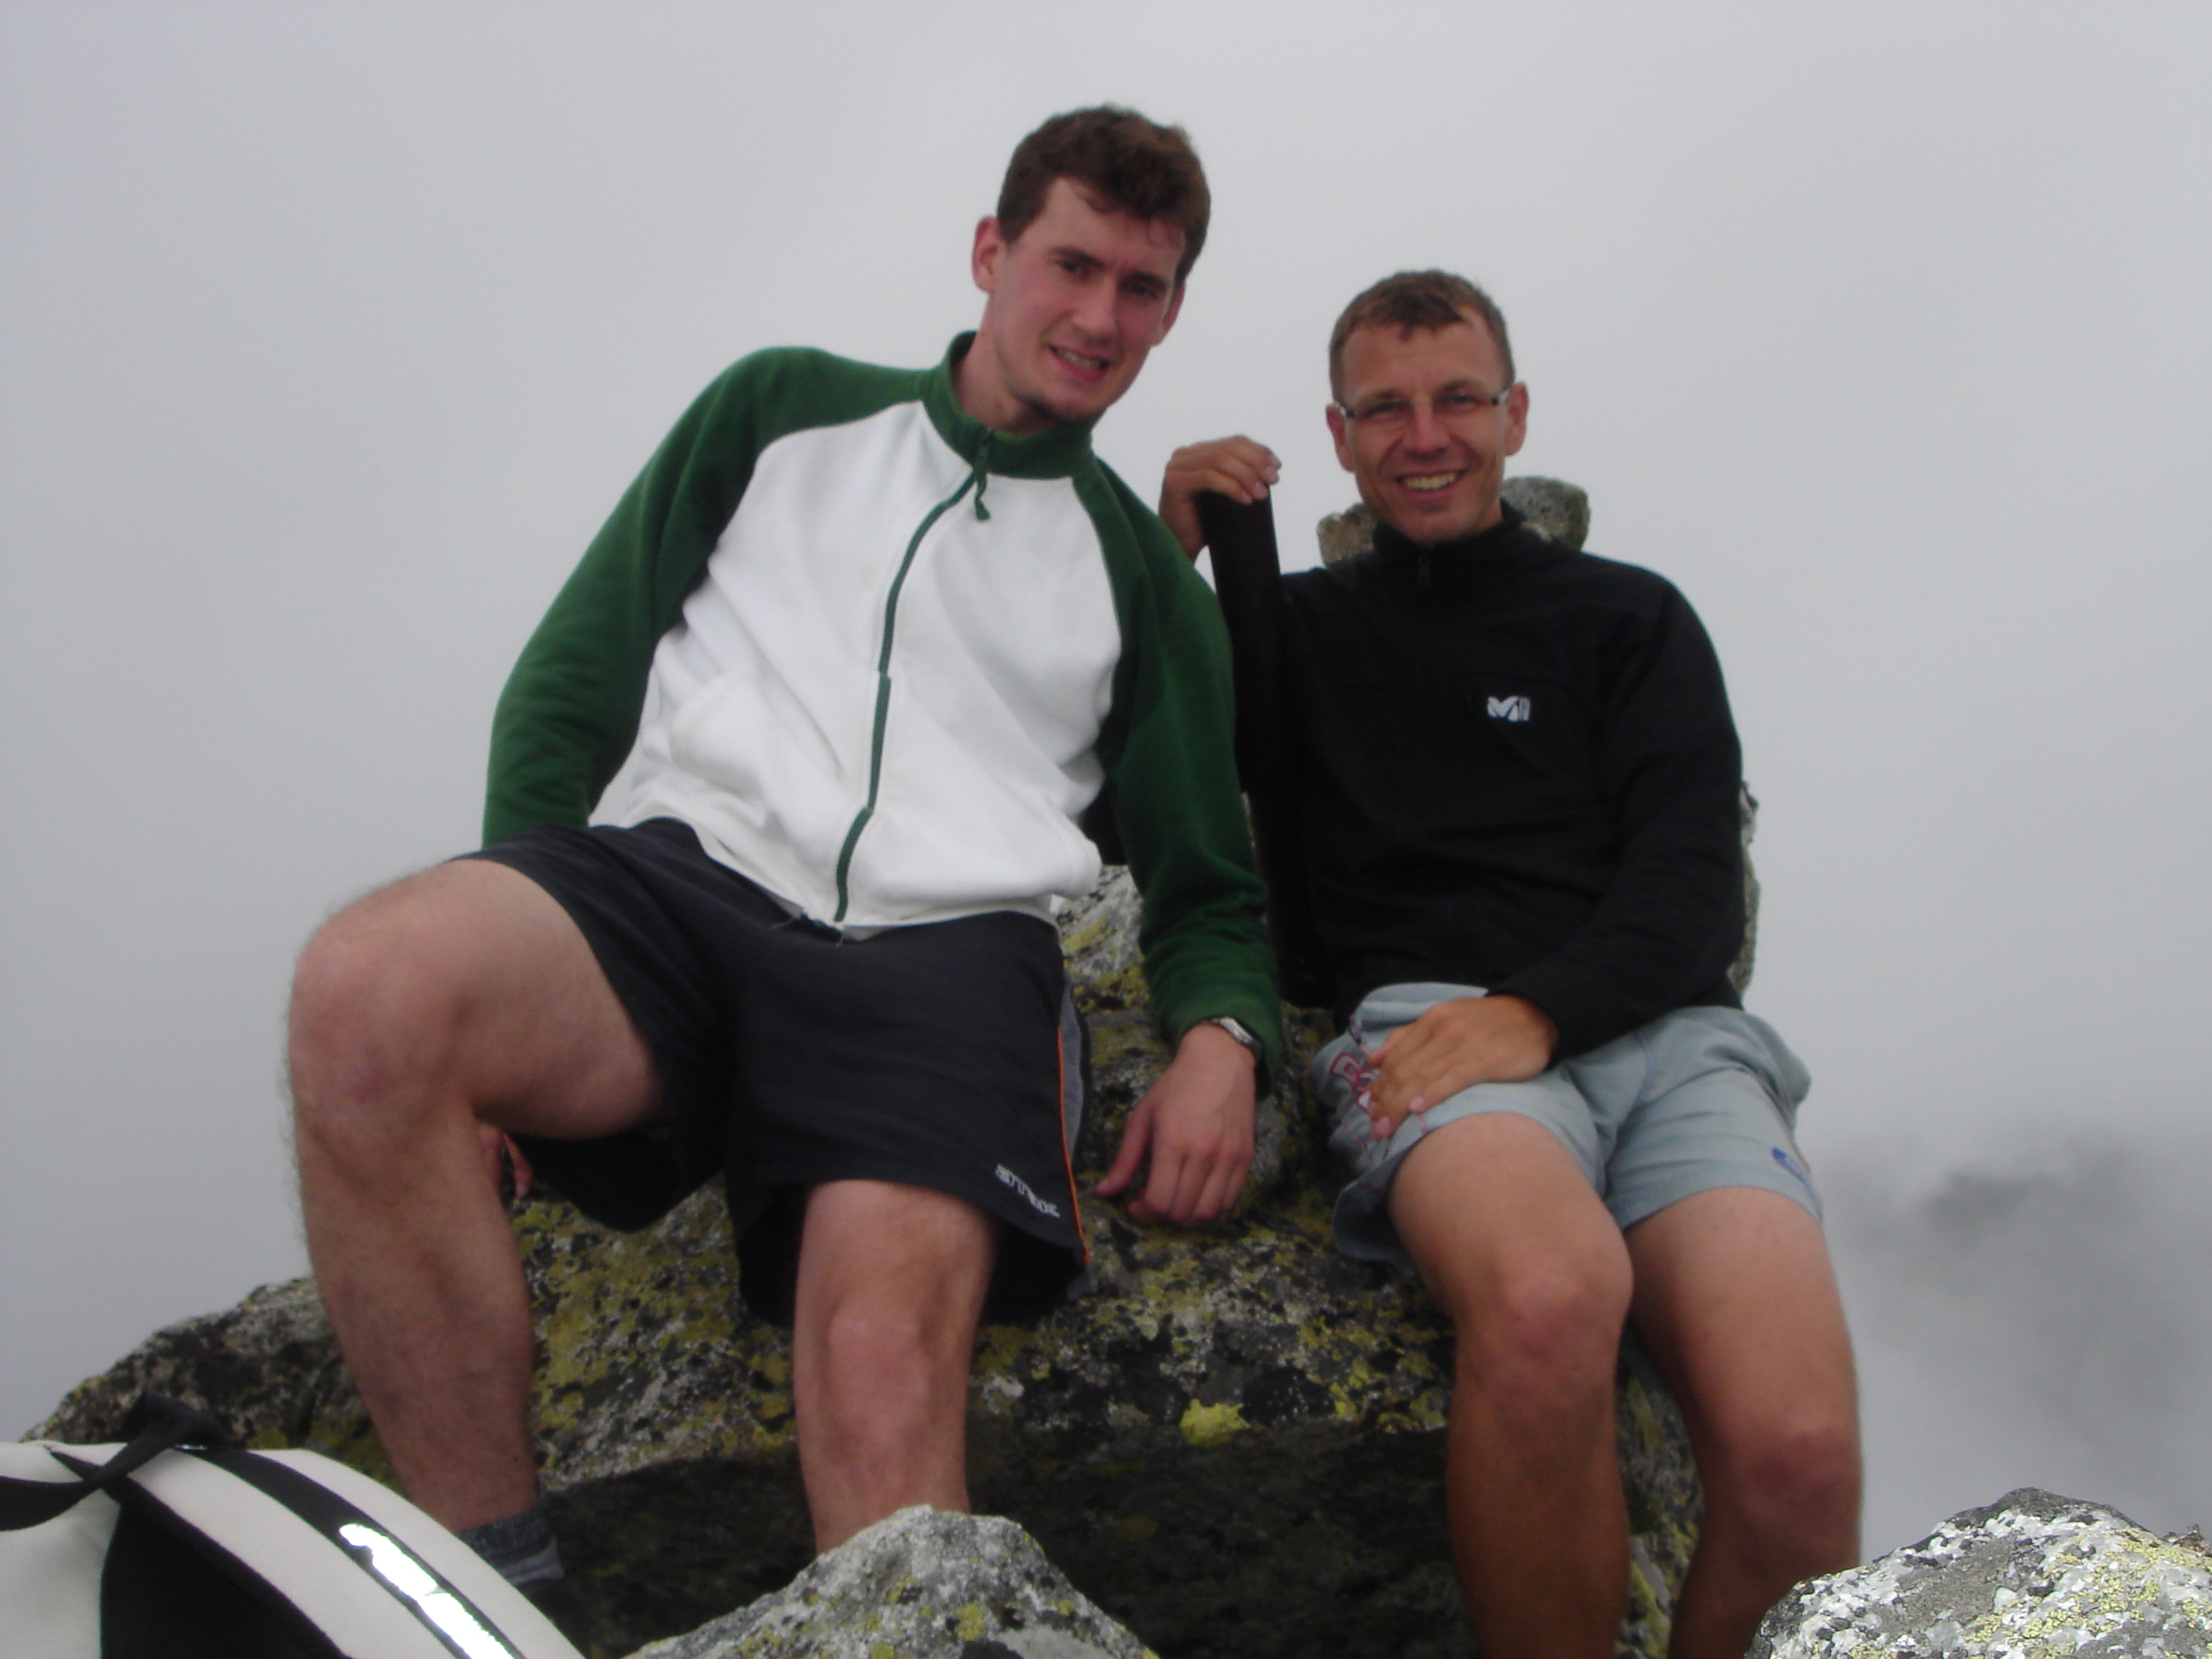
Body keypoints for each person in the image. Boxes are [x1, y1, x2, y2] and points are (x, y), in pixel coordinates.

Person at [286, 106, 1280, 1614]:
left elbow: (1207, 879)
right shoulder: (781, 408)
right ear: (991, 250)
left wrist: (1223, 1042)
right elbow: (570, 687)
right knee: (365, 989)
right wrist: (505, 999)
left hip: (945, 962)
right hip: (682, 885)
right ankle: (495, 1596)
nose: (1099, 317)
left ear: (1174, 310)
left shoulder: (1142, 576)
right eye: (1072, 265)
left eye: (1141, 288)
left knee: (879, 1379)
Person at [1158, 271, 1860, 1659]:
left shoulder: (1631, 620)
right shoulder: (1288, 633)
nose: (1427, 437)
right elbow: (1095, 759)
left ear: (1515, 415)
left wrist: (1540, 1012)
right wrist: (1160, 555)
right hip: (1431, 1025)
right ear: (1340, 436)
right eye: (1386, 409)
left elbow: (1691, 887)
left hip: (1670, 1040)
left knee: (1801, 1457)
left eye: (1460, 400)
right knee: (1548, 1301)